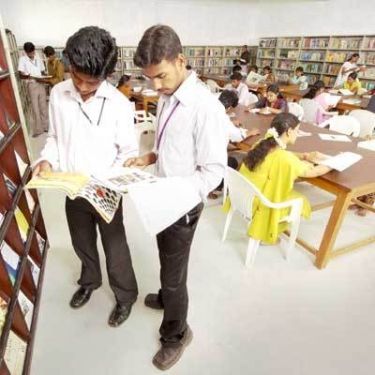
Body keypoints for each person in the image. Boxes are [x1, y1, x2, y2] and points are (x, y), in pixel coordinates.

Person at [125, 24, 227, 371]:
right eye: (149, 78)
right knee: (165, 259)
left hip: (180, 204)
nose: (155, 86)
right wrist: (148, 158)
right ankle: (168, 299)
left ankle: (176, 333)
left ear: (181, 60)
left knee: (174, 274)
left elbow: (213, 172)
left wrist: (174, 192)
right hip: (163, 198)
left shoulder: (206, 107)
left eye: (160, 76)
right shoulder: (169, 95)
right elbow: (167, 144)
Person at [33, 26, 138, 327]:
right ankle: (89, 282)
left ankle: (125, 296)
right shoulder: (58, 93)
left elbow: (128, 153)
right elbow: (54, 138)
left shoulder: (118, 104)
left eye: (90, 82)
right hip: (72, 187)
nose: (80, 86)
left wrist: (112, 181)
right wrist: (46, 160)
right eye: (76, 77)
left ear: (106, 75)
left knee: (115, 247)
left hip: (105, 192)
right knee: (82, 242)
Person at [227, 113, 331, 244]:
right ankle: (268, 232)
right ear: (289, 131)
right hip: (260, 203)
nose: (297, 134)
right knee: (301, 200)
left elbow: (282, 154)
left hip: (243, 196)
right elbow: (313, 172)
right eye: (297, 131)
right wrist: (333, 164)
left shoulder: (262, 144)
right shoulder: (285, 159)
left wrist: (304, 156)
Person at [18, 42, 48, 137]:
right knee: (35, 108)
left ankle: (46, 126)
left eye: (33, 52)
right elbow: (21, 75)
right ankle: (38, 130)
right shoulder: (22, 59)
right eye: (30, 53)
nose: (32, 54)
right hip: (32, 84)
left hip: (40, 83)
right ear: (26, 52)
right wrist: (30, 76)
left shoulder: (37, 56)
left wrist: (45, 77)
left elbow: (42, 70)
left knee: (43, 106)